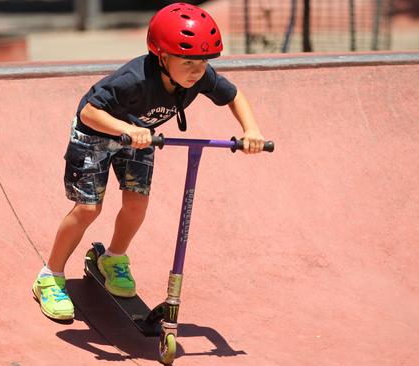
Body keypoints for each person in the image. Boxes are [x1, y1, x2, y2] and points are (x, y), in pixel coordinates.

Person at [33, 2, 266, 320]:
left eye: (203, 62)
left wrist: (251, 130)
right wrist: (126, 129)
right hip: (96, 134)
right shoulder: (133, 78)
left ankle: (113, 259)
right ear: (162, 56)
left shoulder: (200, 77)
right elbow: (88, 110)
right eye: (188, 63)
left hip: (140, 136)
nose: (197, 71)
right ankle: (50, 277)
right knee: (89, 208)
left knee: (136, 205)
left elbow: (233, 95)